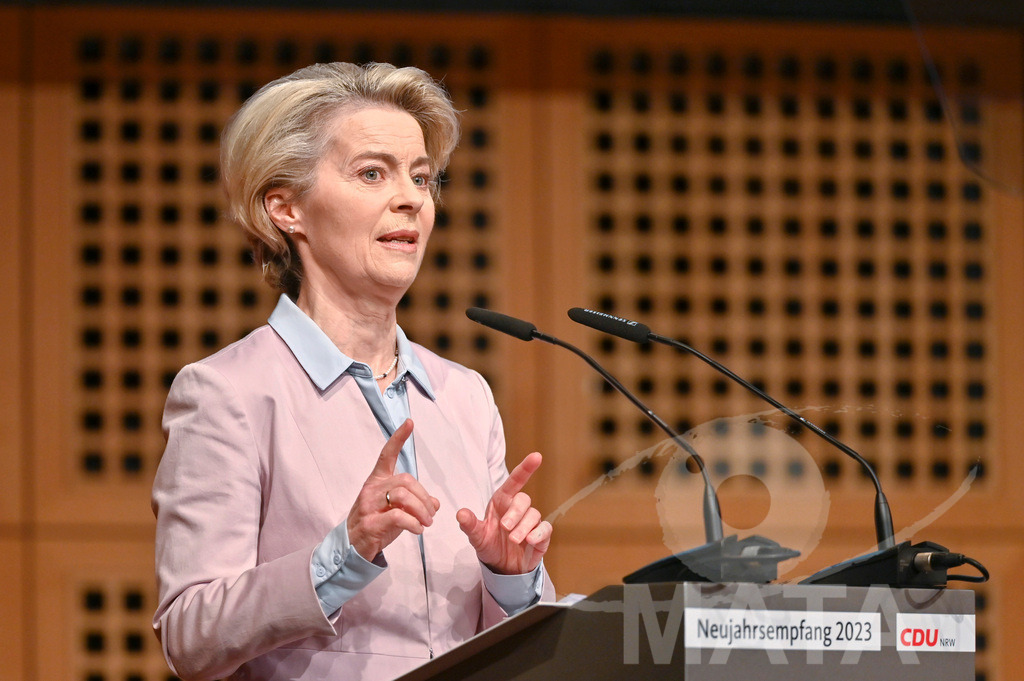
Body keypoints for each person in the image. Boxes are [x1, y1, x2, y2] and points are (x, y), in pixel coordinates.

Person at [151, 62, 555, 681]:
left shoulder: (465, 396)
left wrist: (512, 578)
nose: (412, 198)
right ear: (285, 208)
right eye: (373, 173)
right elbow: (190, 634)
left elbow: (523, 649)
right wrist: (346, 549)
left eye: (423, 178)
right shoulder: (227, 392)